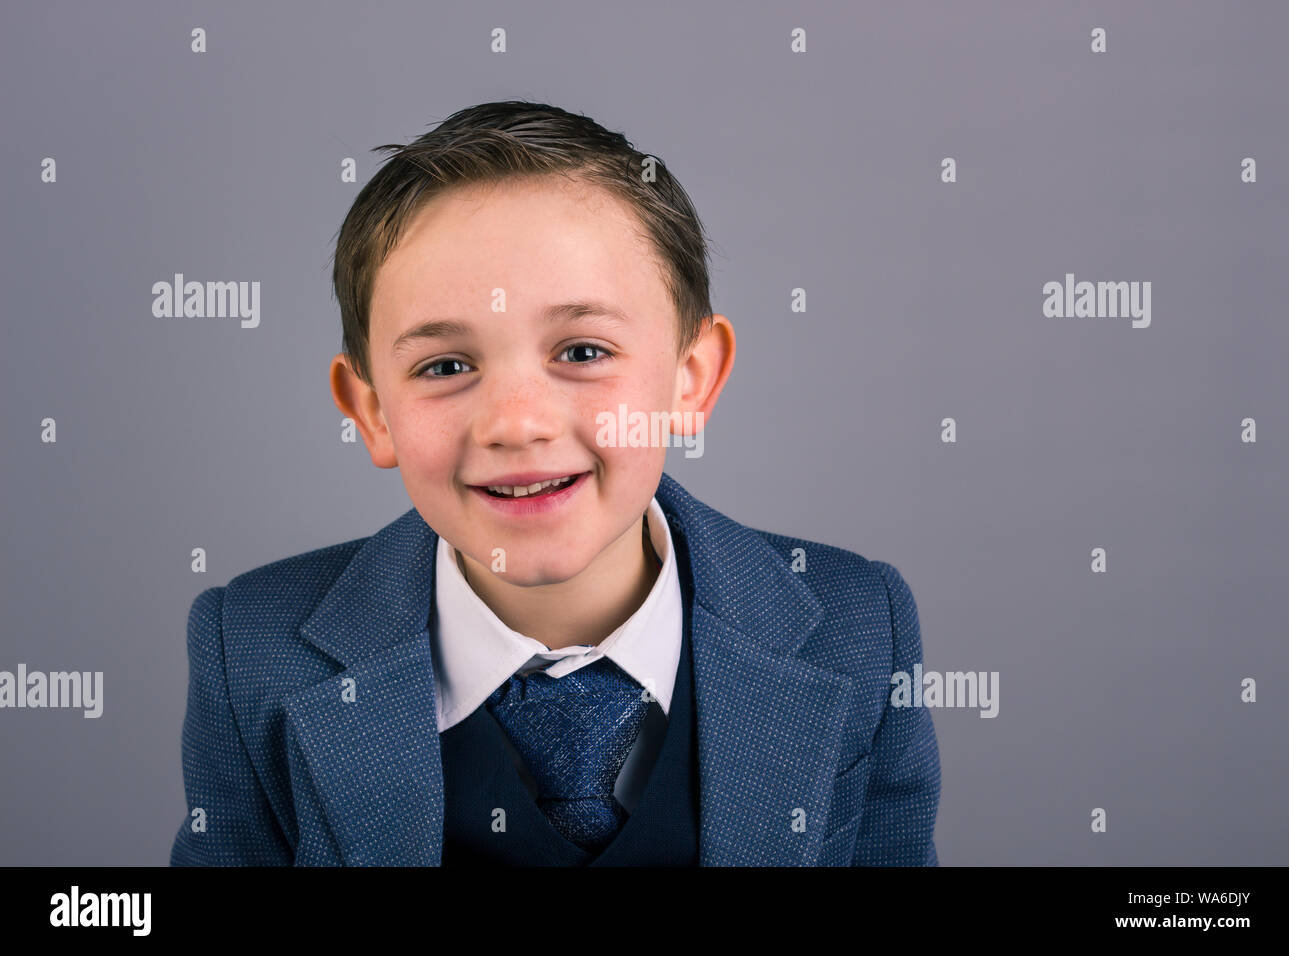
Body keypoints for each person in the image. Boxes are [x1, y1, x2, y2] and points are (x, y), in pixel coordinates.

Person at [170, 100, 940, 866]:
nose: (517, 424)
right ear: (371, 412)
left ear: (690, 380)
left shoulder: (859, 629)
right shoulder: (252, 651)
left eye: (581, 352)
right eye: (445, 366)